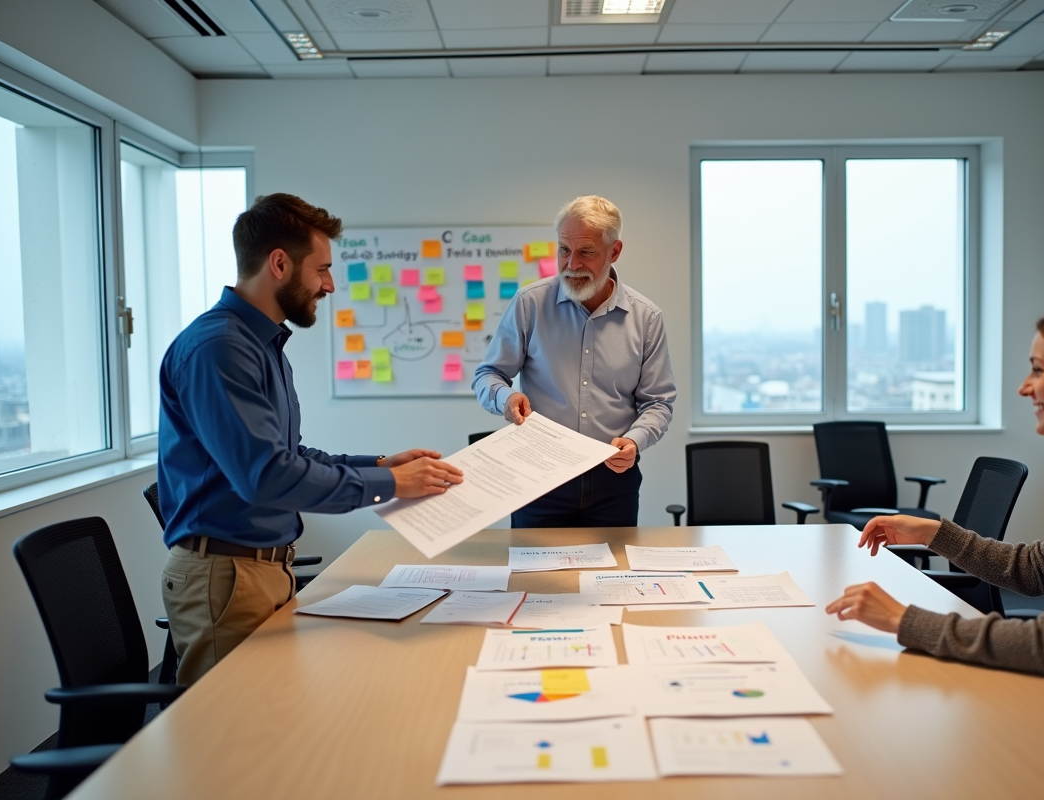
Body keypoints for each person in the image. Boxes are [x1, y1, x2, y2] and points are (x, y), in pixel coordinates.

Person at [825, 299, 1044, 752]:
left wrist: (904, 619)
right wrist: (934, 533)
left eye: (1037, 369)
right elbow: (1036, 570)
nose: (1024, 387)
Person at [158, 193, 463, 685]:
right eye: (321, 270)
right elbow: (266, 476)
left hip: (259, 571)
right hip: (227, 577)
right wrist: (391, 484)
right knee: (233, 725)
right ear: (279, 263)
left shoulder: (262, 345)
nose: (330, 285)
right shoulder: (220, 348)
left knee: (274, 714)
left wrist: (381, 464)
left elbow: (288, 454)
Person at [471, 195, 675, 527]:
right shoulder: (529, 303)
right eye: (564, 250)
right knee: (534, 564)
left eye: (586, 253)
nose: (572, 264)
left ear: (614, 251)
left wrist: (635, 440)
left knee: (611, 563)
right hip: (537, 477)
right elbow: (488, 374)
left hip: (613, 480)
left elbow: (658, 402)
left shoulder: (646, 318)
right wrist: (505, 398)